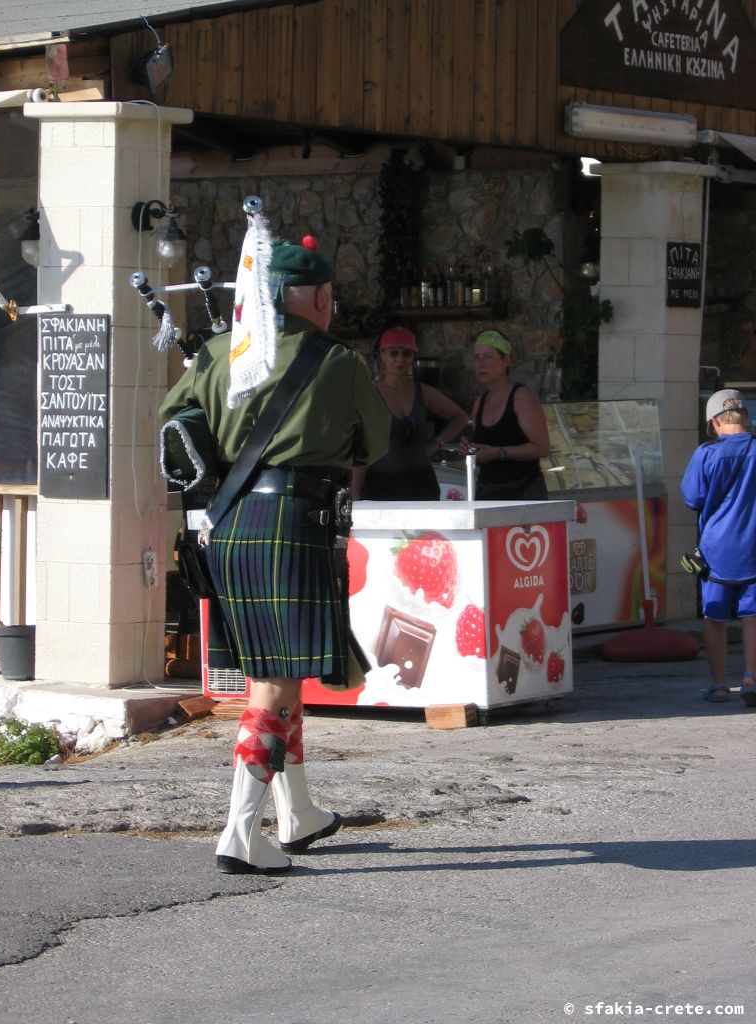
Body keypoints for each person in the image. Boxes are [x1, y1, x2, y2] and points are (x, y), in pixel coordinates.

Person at [159, 219, 390, 875]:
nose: (332, 305)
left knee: (273, 675)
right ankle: (238, 832)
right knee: (273, 686)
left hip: (227, 527)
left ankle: (298, 811)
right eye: (329, 294)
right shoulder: (339, 363)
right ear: (312, 298)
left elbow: (173, 425)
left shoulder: (215, 353)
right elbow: (376, 443)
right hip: (295, 525)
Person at [681, 388, 756, 705]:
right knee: (753, 615)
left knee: (715, 618)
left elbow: (692, 498)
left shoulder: (707, 453)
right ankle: (751, 676)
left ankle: (719, 684)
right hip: (753, 547)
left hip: (716, 550)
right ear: (746, 418)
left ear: (713, 421)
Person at [351, 326, 469, 500]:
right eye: (393, 353)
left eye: (406, 354)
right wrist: (354, 491)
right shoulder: (370, 395)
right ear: (383, 355)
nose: (400, 360)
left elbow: (460, 418)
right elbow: (359, 448)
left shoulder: (424, 392)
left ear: (413, 357)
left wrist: (436, 443)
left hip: (421, 482)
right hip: (380, 484)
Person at [459, 330, 550, 500]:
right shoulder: (480, 402)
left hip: (523, 491)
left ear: (506, 360)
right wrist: (469, 449)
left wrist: (498, 452)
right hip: (489, 492)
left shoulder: (521, 396)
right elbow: (484, 448)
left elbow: (542, 447)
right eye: (476, 357)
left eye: (487, 357)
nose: (480, 364)